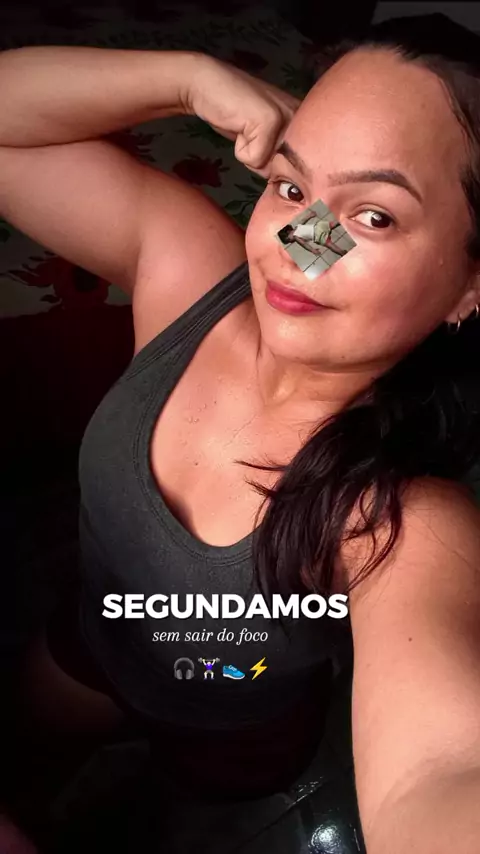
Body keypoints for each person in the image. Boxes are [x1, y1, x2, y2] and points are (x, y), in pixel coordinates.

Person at [2, 13, 480, 852]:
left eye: (373, 216)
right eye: (293, 189)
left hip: (237, 725)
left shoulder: (401, 522)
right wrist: (187, 78)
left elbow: (439, 774)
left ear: (469, 286)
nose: (301, 251)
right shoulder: (189, 274)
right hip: (92, 643)